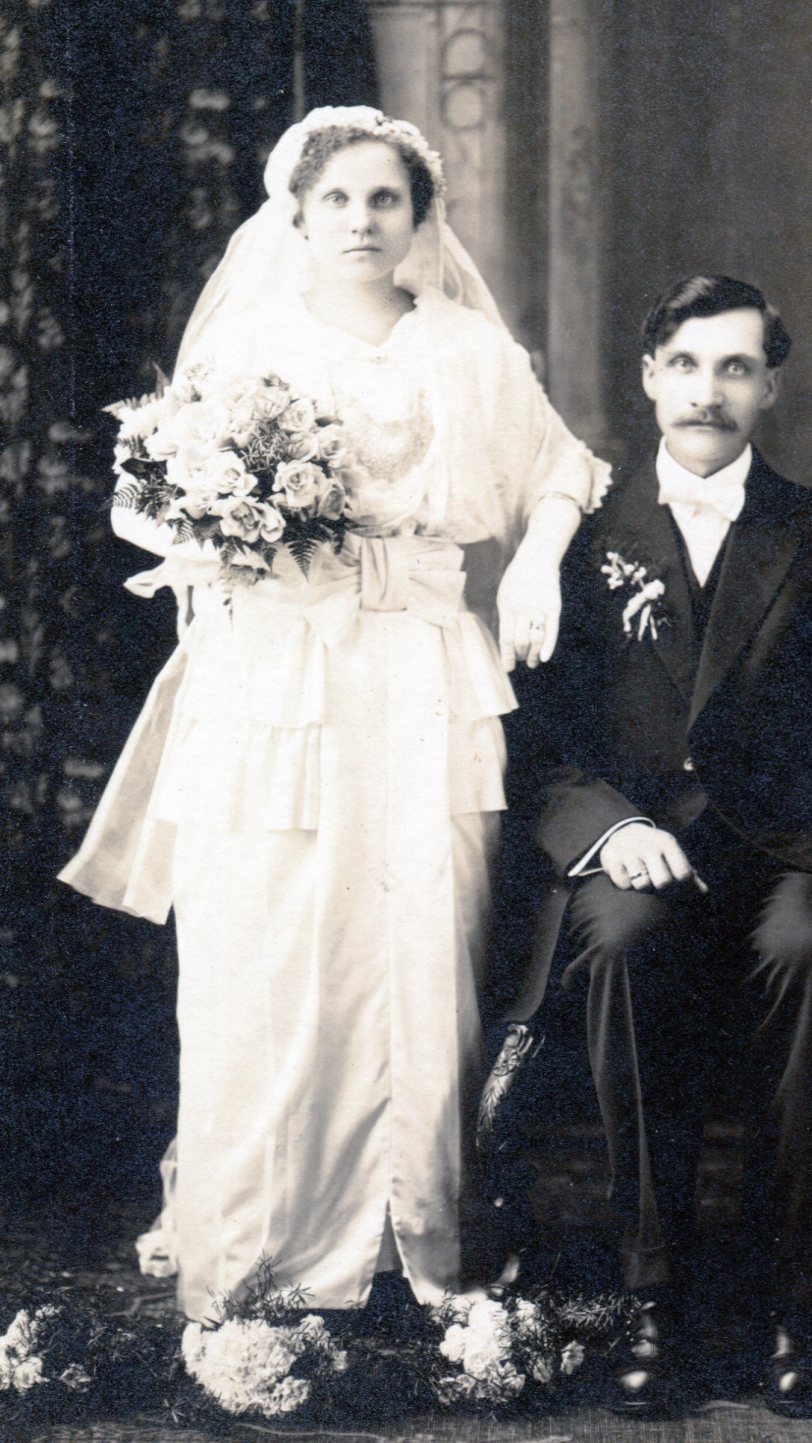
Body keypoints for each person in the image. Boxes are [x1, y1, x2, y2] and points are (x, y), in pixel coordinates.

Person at [58, 106, 609, 1322]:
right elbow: (142, 507)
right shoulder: (247, 343)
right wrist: (225, 533)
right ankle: (260, 1242)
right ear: (294, 216)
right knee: (262, 946)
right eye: (338, 201)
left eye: (386, 201)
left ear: (419, 220)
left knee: (419, 946)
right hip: (278, 682)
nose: (362, 221)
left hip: (419, 673)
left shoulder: (465, 349)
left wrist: (531, 562)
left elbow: (562, 468)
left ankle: (409, 1233)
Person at [486, 275, 812, 1414]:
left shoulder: (804, 529)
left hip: (784, 853)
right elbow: (536, 745)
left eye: (734, 368)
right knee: (619, 942)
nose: (706, 392)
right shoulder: (579, 542)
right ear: (647, 377)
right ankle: (654, 1303)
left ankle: (792, 1305)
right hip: (633, 852)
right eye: (685, 365)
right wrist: (609, 828)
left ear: (769, 386)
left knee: (806, 948)